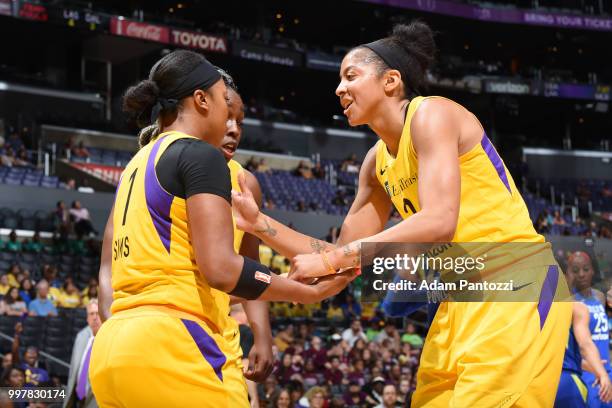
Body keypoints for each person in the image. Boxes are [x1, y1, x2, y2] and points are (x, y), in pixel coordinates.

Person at [231, 20, 571, 407]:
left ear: (390, 81)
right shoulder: (376, 163)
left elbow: (438, 222)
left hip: (517, 284)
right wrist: (258, 223)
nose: (339, 88)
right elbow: (339, 259)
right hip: (456, 300)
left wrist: (335, 259)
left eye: (351, 75)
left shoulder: (432, 114)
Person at [92, 50, 355, 407]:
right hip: (177, 343)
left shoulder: (137, 163)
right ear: (202, 100)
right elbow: (221, 268)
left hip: (114, 349)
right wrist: (303, 292)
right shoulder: (201, 155)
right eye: (223, 103)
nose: (229, 120)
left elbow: (108, 264)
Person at [554, 272, 612, 407]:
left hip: (539, 382)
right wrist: (601, 373)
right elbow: (585, 344)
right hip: (570, 380)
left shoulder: (531, 310)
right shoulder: (576, 307)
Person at [64, 300, 101, 408]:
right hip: (77, 400)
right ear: (87, 318)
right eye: (91, 314)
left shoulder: (110, 337)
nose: (95, 317)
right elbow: (73, 370)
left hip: (97, 401)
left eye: (98, 313)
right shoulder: (81, 336)